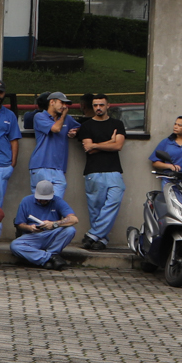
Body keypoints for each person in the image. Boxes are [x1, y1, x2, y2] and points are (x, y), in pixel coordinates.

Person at [75, 92, 127, 251]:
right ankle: (101, 240)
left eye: (101, 105)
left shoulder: (117, 124)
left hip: (114, 171)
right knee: (96, 209)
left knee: (113, 202)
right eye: (95, 105)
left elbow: (118, 146)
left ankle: (92, 234)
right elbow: (88, 149)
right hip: (93, 172)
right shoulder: (86, 126)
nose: (98, 108)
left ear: (108, 105)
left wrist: (96, 145)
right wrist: (110, 141)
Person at [9, 179, 77, 268]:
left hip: (51, 234)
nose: (43, 201)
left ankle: (50, 255)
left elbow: (74, 219)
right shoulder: (26, 201)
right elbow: (19, 224)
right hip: (33, 236)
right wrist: (30, 228)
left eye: (46, 199)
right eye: (40, 198)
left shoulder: (58, 201)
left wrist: (54, 224)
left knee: (70, 230)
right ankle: (50, 258)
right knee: (15, 246)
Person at [29, 92, 77, 198]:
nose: (64, 106)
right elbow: (55, 129)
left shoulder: (67, 119)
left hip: (59, 167)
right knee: (42, 203)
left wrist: (75, 131)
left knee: (56, 203)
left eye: (66, 104)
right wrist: (63, 116)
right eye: (62, 103)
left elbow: (81, 127)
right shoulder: (40, 116)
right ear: (52, 102)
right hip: (41, 166)